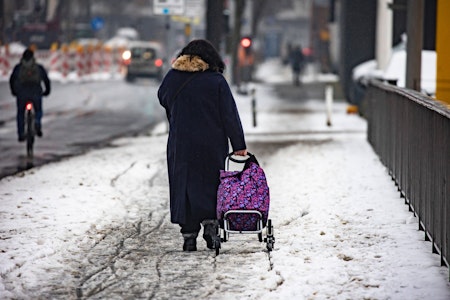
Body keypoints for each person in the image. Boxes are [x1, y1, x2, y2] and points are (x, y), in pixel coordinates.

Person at [158, 39, 247, 252]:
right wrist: (238, 145)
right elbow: (229, 115)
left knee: (184, 184)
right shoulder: (215, 81)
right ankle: (211, 227)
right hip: (211, 143)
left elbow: (163, 97)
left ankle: (188, 235)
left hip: (181, 144)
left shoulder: (173, 77)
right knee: (211, 183)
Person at [9, 48, 51, 141]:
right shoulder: (38, 67)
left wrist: (14, 91)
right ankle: (37, 122)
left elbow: (12, 80)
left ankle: (21, 134)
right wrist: (47, 91)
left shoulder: (18, 67)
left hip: (22, 93)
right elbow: (46, 80)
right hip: (36, 93)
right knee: (38, 110)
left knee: (20, 113)